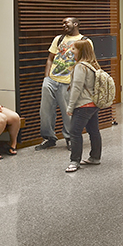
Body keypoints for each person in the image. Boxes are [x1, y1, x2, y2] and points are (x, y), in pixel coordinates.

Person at [38, 16, 82, 149]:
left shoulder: (84, 41)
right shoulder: (59, 39)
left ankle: (70, 138)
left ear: (75, 24)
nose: (64, 25)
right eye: (62, 23)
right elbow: (50, 59)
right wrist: (47, 78)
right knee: (45, 112)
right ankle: (49, 138)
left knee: (68, 112)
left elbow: (84, 62)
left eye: (66, 22)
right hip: (51, 80)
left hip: (68, 82)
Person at [63, 38, 103, 172]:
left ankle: (74, 161)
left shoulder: (80, 66)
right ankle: (95, 157)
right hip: (93, 103)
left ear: (80, 51)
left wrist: (70, 106)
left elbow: (76, 88)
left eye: (74, 49)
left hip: (83, 105)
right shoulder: (93, 64)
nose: (71, 51)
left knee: (74, 132)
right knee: (93, 131)